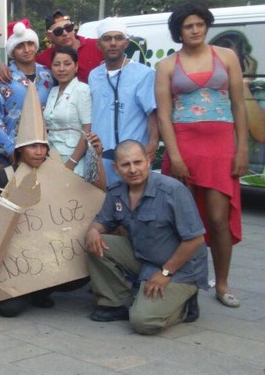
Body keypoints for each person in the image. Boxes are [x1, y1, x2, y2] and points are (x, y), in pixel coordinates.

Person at [0, 82, 106, 318]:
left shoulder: (57, 172)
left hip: (44, 251)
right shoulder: (4, 175)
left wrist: (96, 155)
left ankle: (40, 290)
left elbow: (97, 192)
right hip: (15, 259)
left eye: (41, 147)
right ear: (20, 150)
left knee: (77, 277)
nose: (37, 152)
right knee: (8, 309)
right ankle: (28, 291)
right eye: (31, 147)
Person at [155, 3, 248, 309]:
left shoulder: (226, 57)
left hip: (221, 147)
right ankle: (186, 282)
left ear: (206, 26)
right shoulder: (167, 66)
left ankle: (221, 283)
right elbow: (164, 116)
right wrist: (175, 155)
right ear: (178, 31)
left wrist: (241, 148)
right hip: (184, 145)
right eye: (187, 26)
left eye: (199, 24)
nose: (195, 30)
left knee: (219, 219)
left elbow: (238, 105)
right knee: (182, 222)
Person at [86, 140, 206, 334]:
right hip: (145, 258)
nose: (133, 169)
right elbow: (102, 221)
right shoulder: (117, 192)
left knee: (143, 322)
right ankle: (117, 302)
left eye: (138, 162)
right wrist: (93, 231)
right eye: (126, 165)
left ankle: (185, 306)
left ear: (148, 161)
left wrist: (165, 273)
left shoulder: (172, 191)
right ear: (116, 168)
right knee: (97, 242)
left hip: (180, 269)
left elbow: (195, 240)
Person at [88, 18, 158, 185]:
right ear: (99, 44)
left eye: (118, 38)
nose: (113, 43)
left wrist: (151, 148)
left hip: (132, 161)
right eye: (107, 38)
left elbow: (153, 116)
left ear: (126, 43)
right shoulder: (94, 75)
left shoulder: (144, 74)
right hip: (101, 159)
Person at [0, 21, 53, 177]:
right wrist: (10, 150)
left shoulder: (48, 76)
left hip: (43, 153)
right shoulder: (1, 79)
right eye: (20, 46)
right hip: (9, 156)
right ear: (12, 51)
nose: (27, 49)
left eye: (30, 44)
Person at [43, 46, 93, 178]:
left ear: (76, 66)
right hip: (52, 158)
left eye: (67, 64)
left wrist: (71, 163)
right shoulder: (53, 92)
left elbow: (87, 130)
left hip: (74, 161)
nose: (61, 69)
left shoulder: (82, 90)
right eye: (56, 64)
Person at [36, 8, 103, 83]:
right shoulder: (45, 57)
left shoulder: (98, 46)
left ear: (74, 28)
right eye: (58, 31)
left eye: (68, 27)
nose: (65, 33)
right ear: (49, 36)